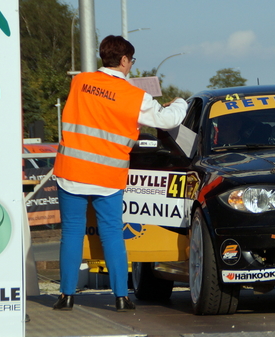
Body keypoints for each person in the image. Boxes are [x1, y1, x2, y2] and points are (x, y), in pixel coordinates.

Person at [52, 35, 187, 312]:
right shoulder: (135, 96)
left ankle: (66, 297)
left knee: (72, 233)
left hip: (71, 171)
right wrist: (179, 103)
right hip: (107, 177)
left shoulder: (79, 82)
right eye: (131, 61)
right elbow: (167, 119)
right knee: (112, 234)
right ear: (124, 60)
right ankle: (121, 298)